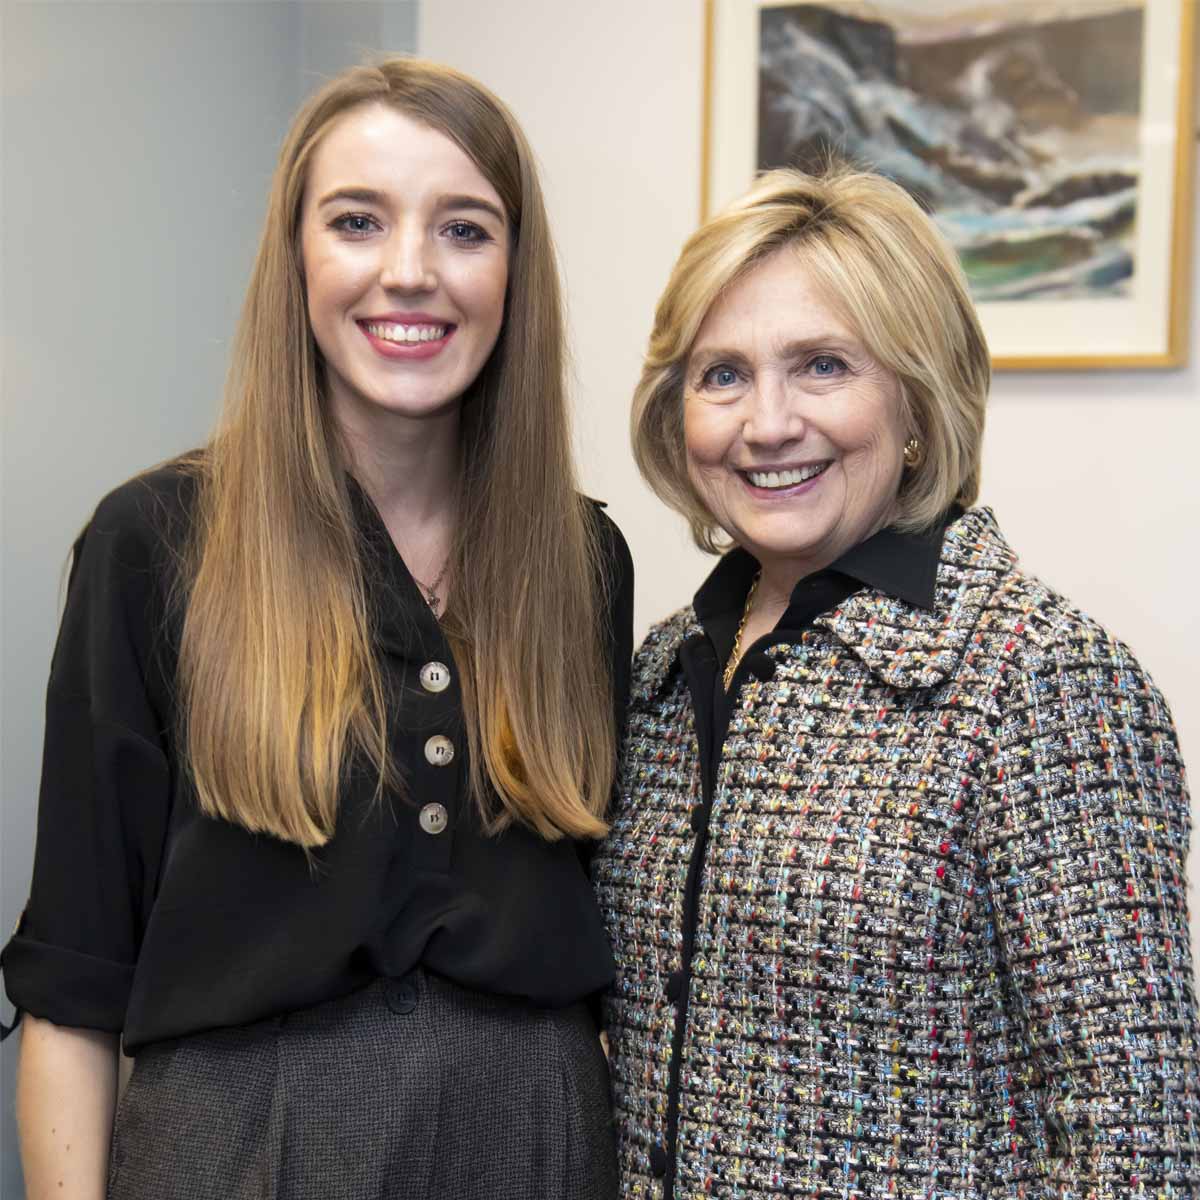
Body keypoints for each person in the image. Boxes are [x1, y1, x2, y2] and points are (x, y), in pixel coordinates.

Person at [3, 57, 632, 1200]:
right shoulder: (155, 544)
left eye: (465, 229)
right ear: (295, 259)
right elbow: (72, 988)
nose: (410, 272)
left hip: (540, 1145)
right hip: (246, 1147)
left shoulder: (582, 562)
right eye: (357, 221)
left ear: (514, 273)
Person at [593, 165, 1198, 1199]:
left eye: (823, 366)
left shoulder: (1040, 680)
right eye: (723, 374)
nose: (767, 422)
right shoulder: (657, 672)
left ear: (916, 401)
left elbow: (1134, 1140)